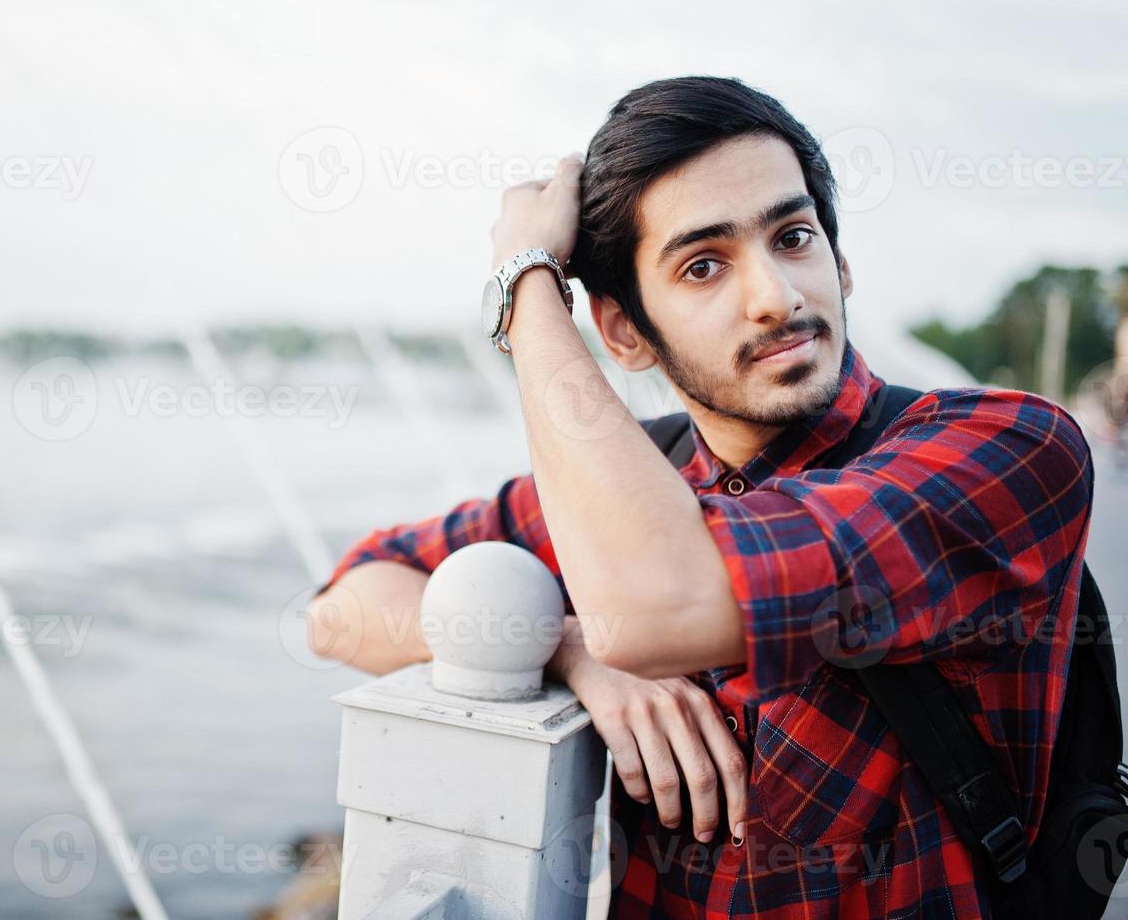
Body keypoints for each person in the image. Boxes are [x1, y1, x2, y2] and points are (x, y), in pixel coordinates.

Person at [306, 77, 1095, 917]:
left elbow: (656, 604)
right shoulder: (635, 485)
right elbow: (343, 606)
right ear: (622, 333)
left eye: (792, 238)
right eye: (703, 266)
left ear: (841, 261)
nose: (775, 297)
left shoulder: (1007, 447)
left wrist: (525, 283)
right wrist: (571, 649)